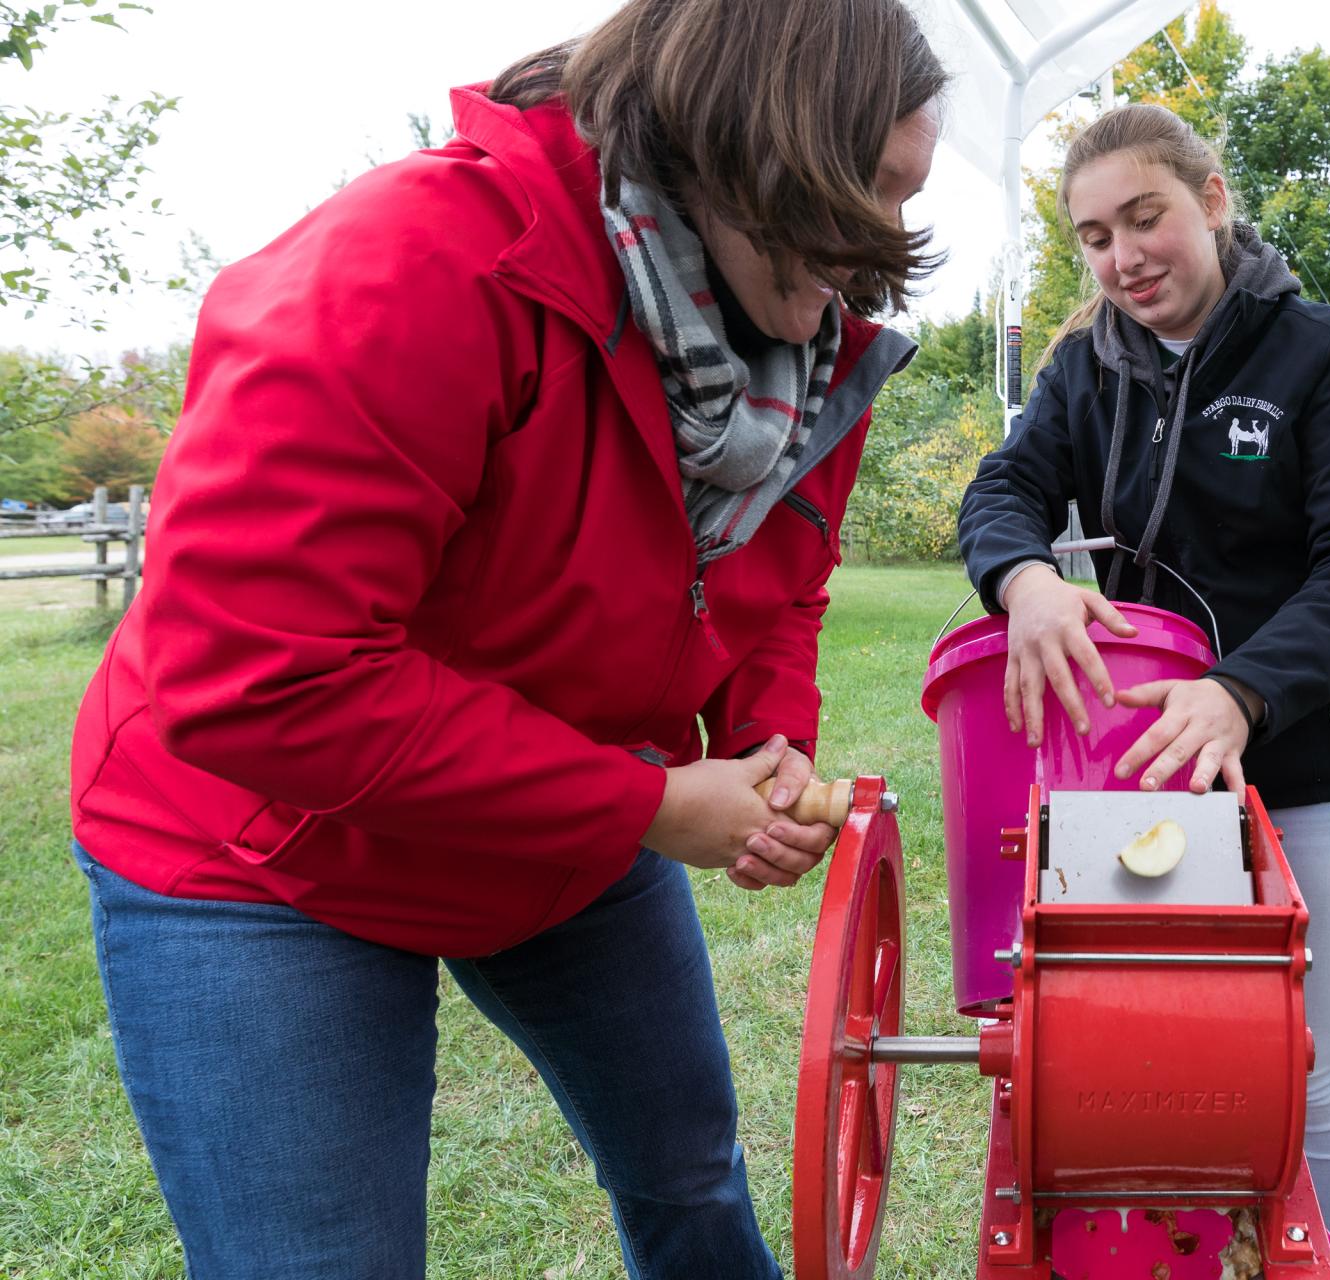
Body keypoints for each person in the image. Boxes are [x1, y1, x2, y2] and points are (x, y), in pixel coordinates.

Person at [65, 1, 942, 1275]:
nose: (876, 254)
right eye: (860, 201)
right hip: (261, 853)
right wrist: (641, 799)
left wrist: (764, 735)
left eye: (901, 206)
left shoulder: (807, 346)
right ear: (754, 135)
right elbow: (257, 676)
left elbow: (778, 576)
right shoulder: (418, 263)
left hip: (570, 825)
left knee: (691, 1170)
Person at [957, 102, 1330, 1275]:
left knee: (1304, 1070)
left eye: (1145, 217)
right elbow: (1005, 486)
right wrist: (1023, 581)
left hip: (1315, 771)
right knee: (1148, 1061)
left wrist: (1245, 691)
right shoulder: (1084, 367)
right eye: (1095, 235)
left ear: (1212, 199)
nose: (1124, 257)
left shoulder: (1322, 354)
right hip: (1141, 773)